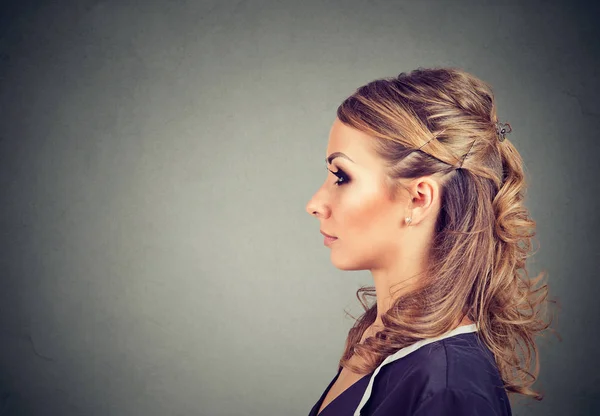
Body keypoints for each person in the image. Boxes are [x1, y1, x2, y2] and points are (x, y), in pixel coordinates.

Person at [305, 67, 555, 415]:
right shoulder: (379, 336)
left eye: (342, 177)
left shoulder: (448, 388)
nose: (314, 204)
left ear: (419, 199)